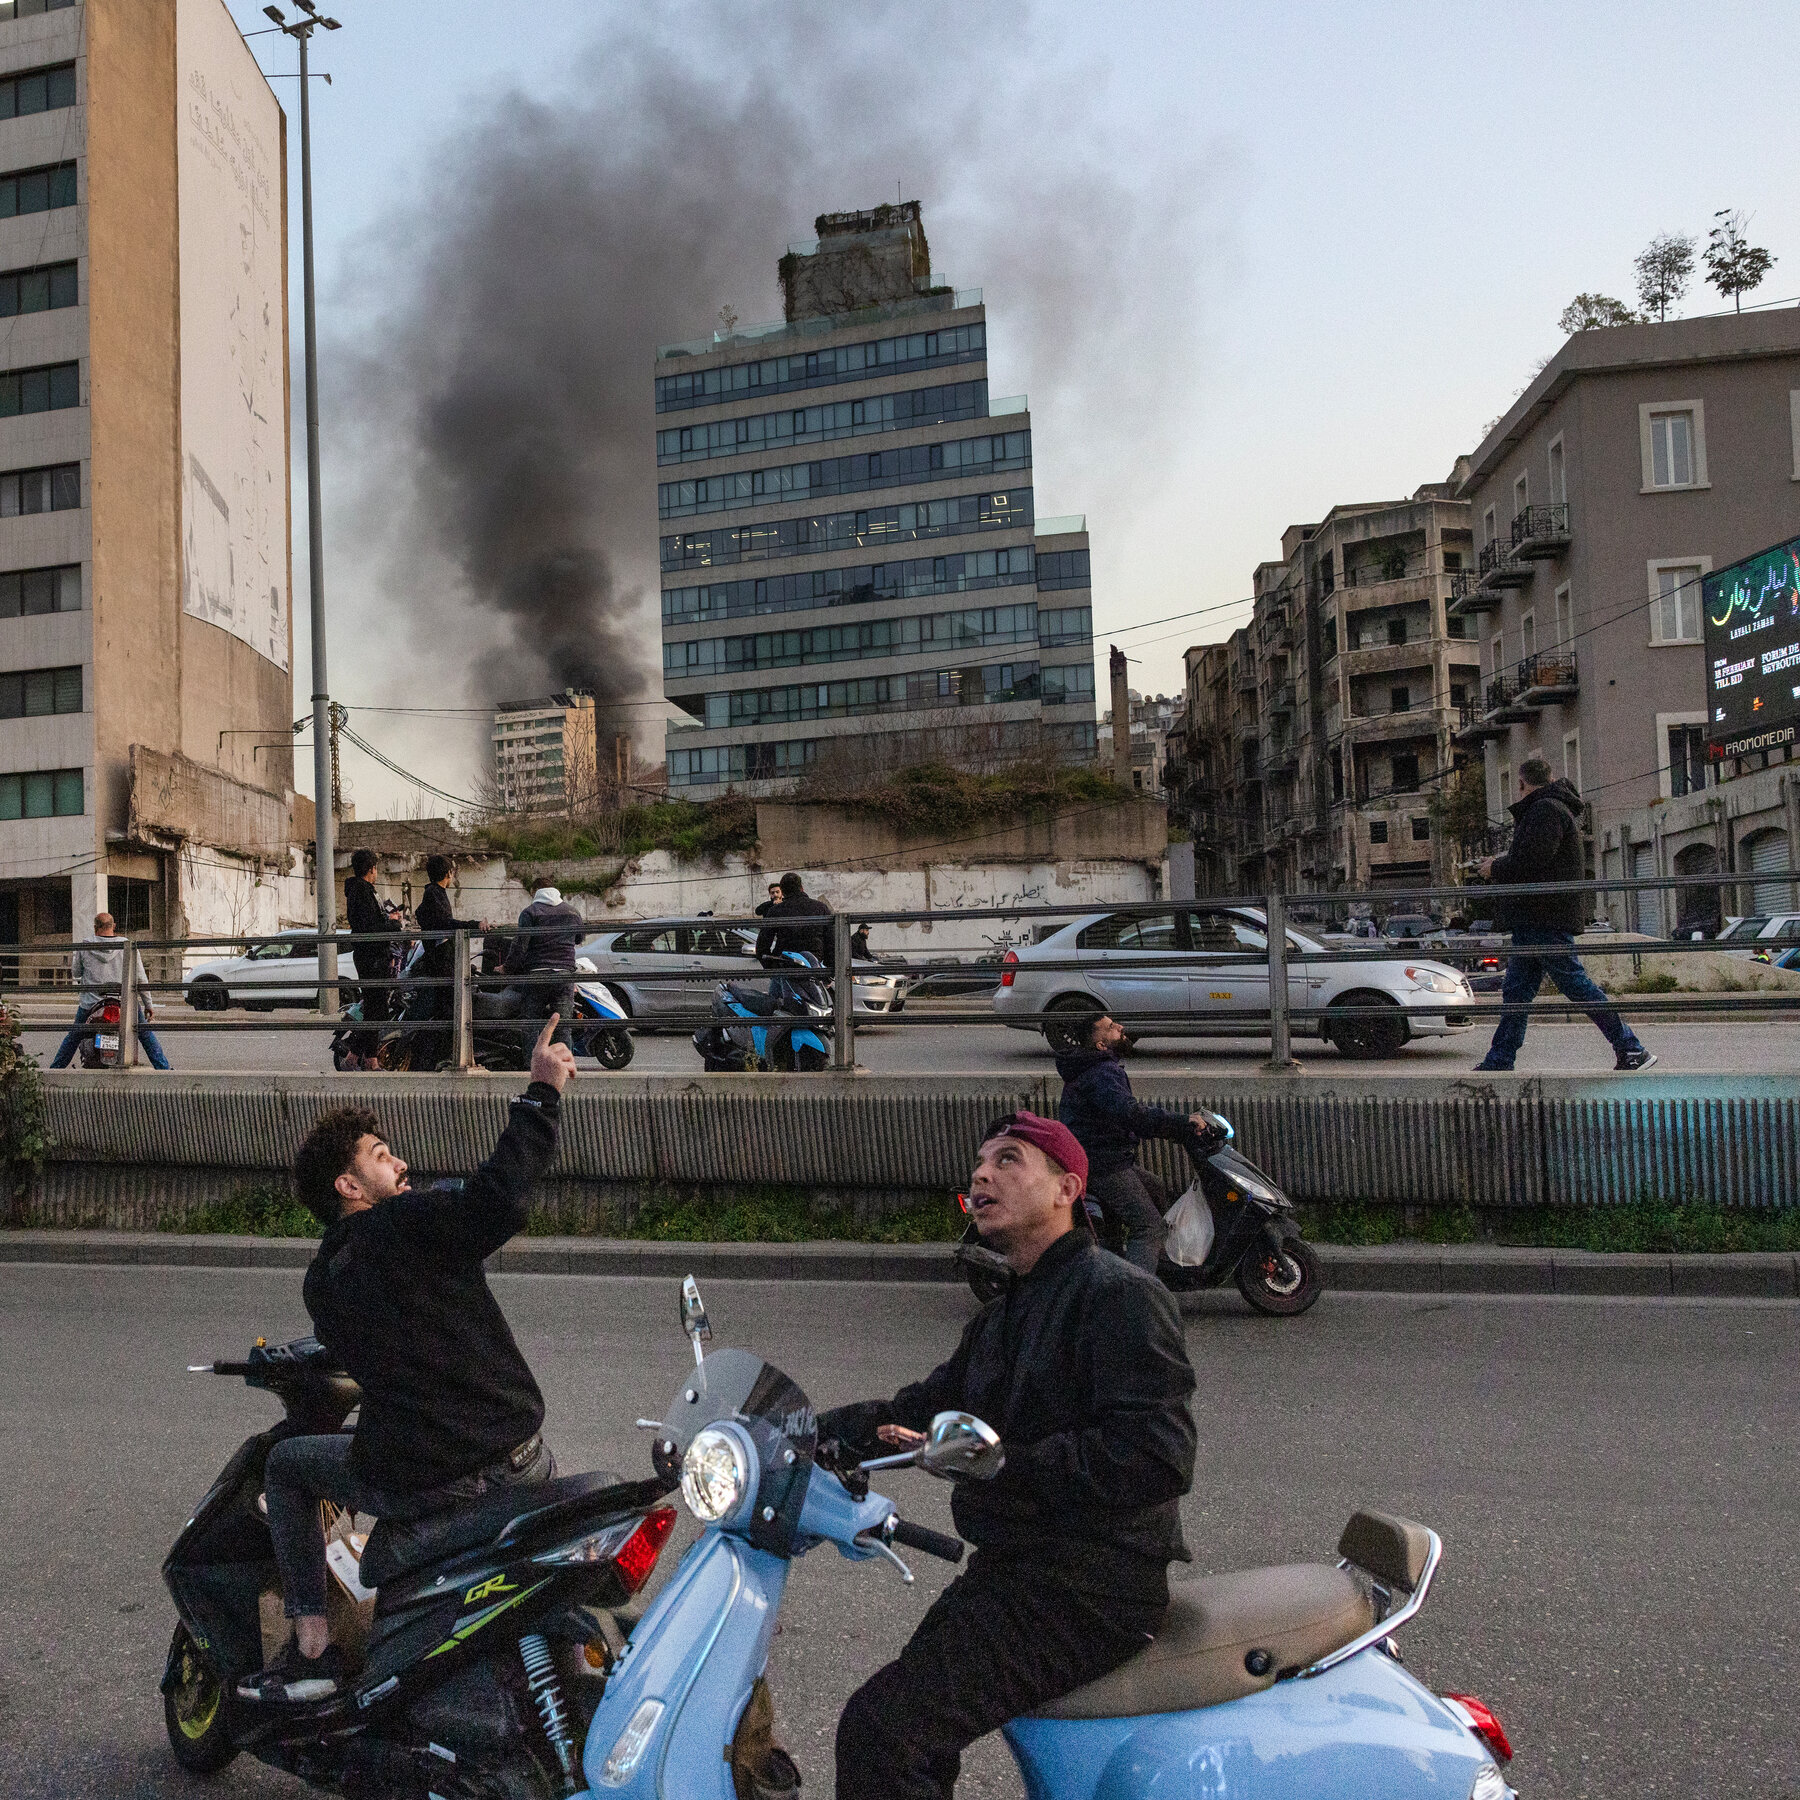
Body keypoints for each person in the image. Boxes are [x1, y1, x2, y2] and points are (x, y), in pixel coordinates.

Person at [821, 1111, 1196, 1800]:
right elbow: (917, 1413)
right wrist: (795, 1432)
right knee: (906, 1730)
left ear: (1067, 1189)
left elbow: (1157, 1456)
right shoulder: (1004, 1314)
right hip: (1022, 1567)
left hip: (1092, 1582)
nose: (983, 1175)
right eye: (979, 1166)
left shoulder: (1119, 1297)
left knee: (885, 1734)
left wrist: (1001, 1464)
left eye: (1009, 1160)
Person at [239, 1015, 576, 1704]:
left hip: (438, 1480)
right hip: (521, 1455)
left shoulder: (324, 1281)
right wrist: (541, 1094)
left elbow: (368, 1349)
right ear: (349, 1185)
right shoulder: (415, 1223)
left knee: (286, 1464)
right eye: (382, 1154)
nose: (401, 1166)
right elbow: (498, 1201)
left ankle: (312, 1647)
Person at [1473, 757, 1656, 1073]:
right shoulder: (1551, 810)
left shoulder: (1545, 811)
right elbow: (1537, 859)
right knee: (1517, 992)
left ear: (1520, 784)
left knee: (1573, 985)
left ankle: (1631, 1048)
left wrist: (1495, 867)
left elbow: (1533, 862)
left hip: (1543, 917)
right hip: (1537, 917)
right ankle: (1500, 1059)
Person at [1054, 1013, 1211, 1273]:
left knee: (1156, 1188)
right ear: (1101, 1045)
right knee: (1148, 1227)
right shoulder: (1100, 1074)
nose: (1120, 1028)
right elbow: (1130, 1114)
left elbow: (1125, 1117)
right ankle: (1137, 1293)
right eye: (1111, 1028)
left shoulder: (1097, 1069)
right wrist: (1181, 1122)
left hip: (1107, 1157)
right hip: (1102, 1163)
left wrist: (1173, 1129)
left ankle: (1153, 1261)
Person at [49, 912, 171, 1069]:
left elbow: (76, 973)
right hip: (124, 1002)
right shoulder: (129, 946)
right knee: (145, 1034)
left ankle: (55, 1070)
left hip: (92, 1002)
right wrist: (149, 1005)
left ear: (95, 928)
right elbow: (141, 979)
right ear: (113, 926)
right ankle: (164, 1069)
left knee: (74, 1035)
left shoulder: (84, 945)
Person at [412, 855, 489, 1067]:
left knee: (445, 1007)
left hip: (441, 959)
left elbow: (426, 917)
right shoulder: (435, 894)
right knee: (447, 1008)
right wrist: (474, 925)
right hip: (441, 961)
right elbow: (445, 923)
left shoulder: (433, 893)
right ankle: (439, 1056)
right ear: (448, 874)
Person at [501, 885, 585, 1048]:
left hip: (537, 974)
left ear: (536, 895)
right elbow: (579, 939)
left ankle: (531, 1065)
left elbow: (520, 945)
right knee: (562, 1026)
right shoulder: (573, 912)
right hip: (564, 974)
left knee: (531, 1023)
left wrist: (507, 968)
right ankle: (564, 1067)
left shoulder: (530, 912)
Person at [342, 849, 400, 1068]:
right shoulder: (362, 891)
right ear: (371, 869)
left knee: (376, 1009)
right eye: (375, 867)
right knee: (376, 1008)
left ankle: (365, 1057)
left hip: (372, 955)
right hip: (371, 956)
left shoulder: (362, 891)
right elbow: (370, 927)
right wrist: (393, 924)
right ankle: (360, 1057)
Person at [755, 870, 835, 974]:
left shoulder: (776, 911)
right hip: (813, 965)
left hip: (784, 966)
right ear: (802, 888)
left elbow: (762, 945)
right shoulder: (821, 908)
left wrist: (771, 968)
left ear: (783, 891)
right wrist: (828, 972)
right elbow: (831, 943)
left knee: (777, 989)